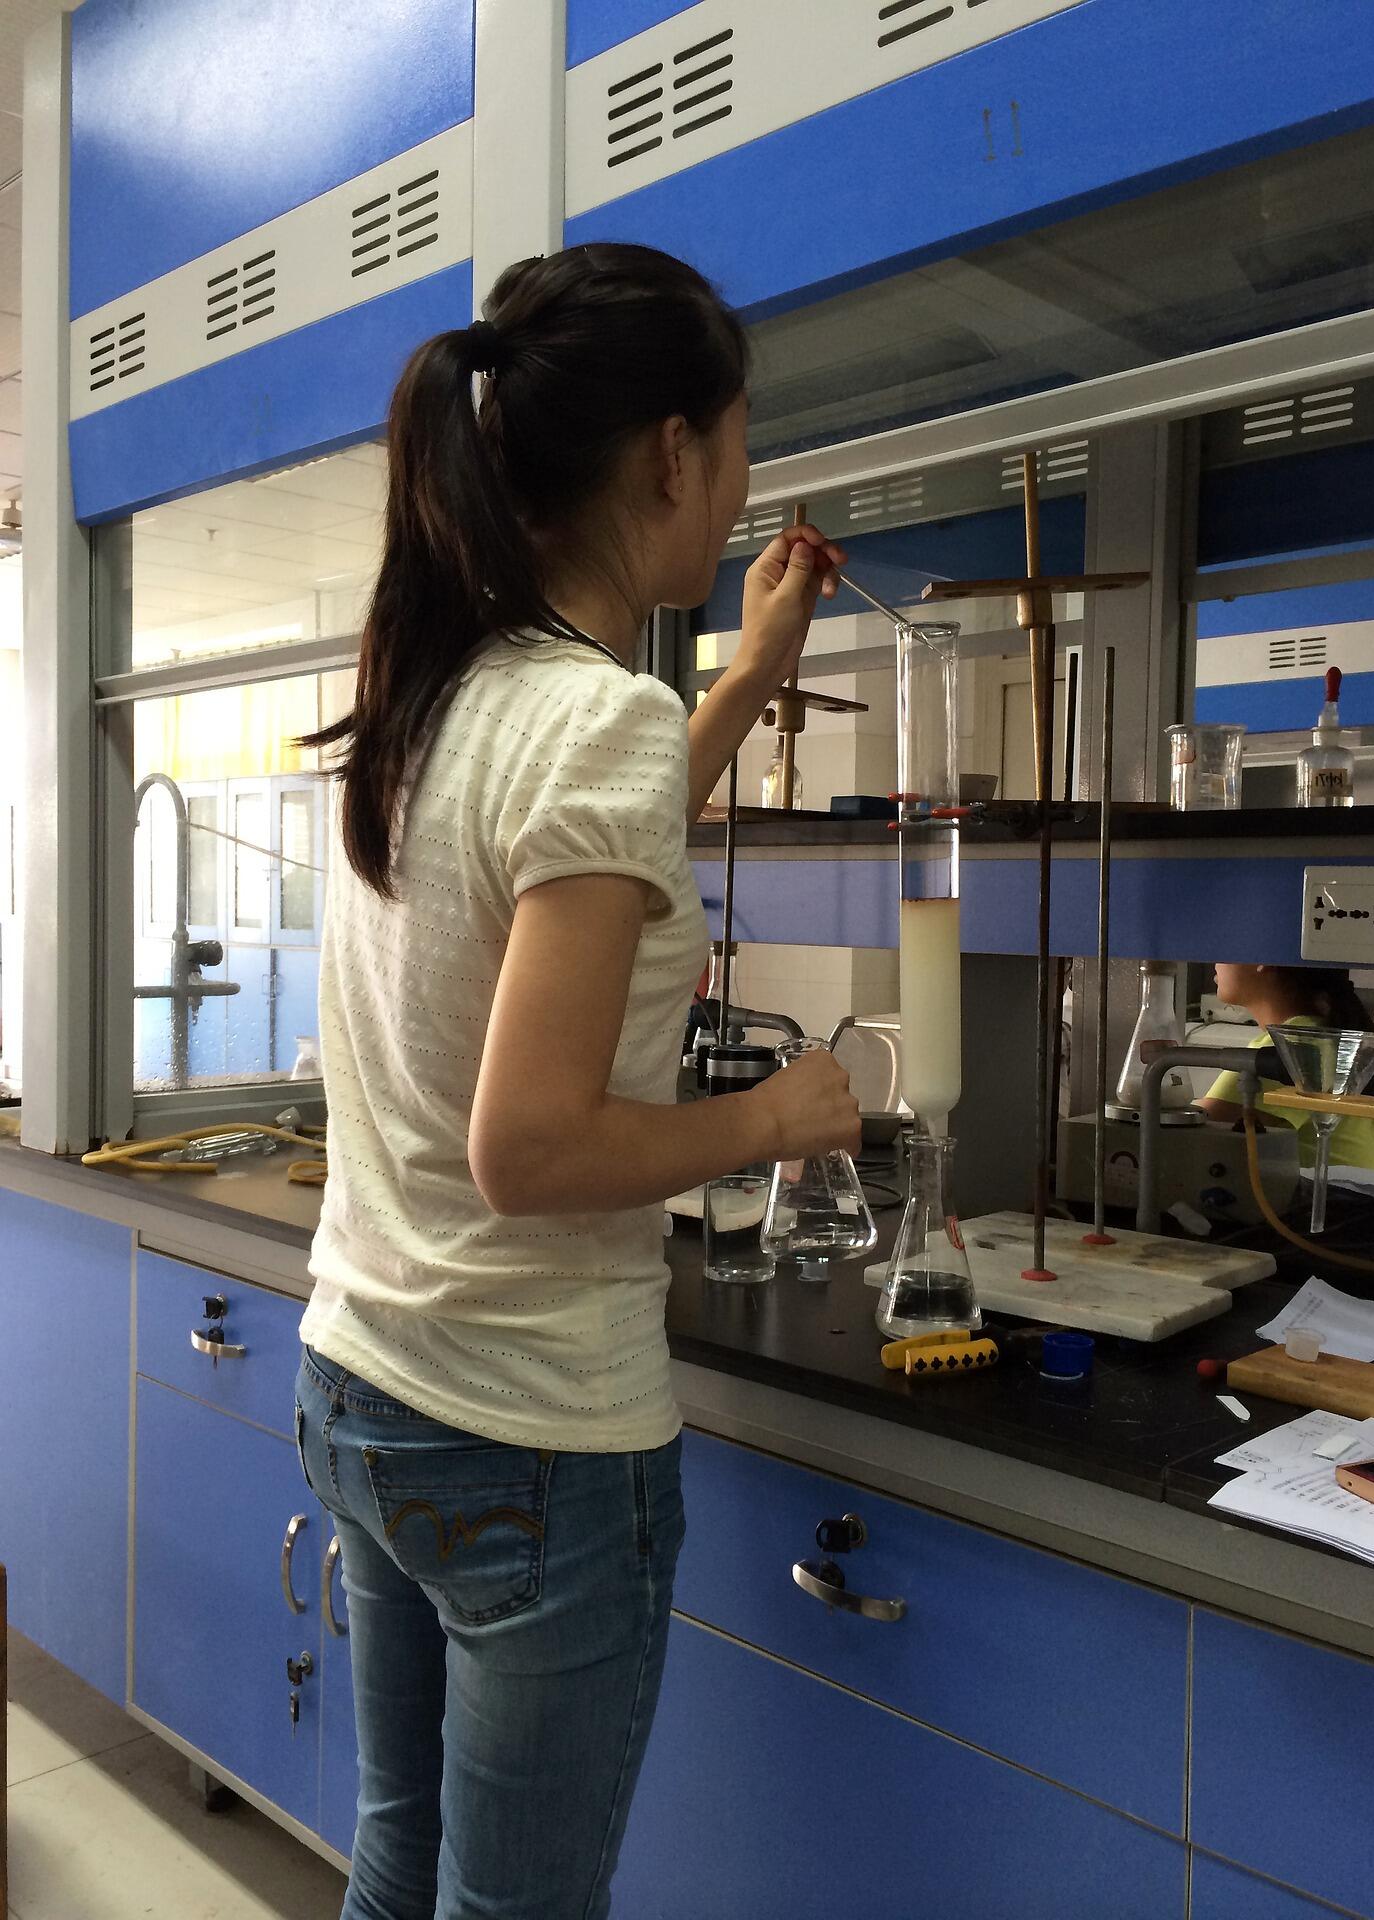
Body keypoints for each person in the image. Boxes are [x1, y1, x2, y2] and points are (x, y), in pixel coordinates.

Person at [292, 244, 861, 1920]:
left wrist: (746, 681)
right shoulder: (592, 717)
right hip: (530, 1435)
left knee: (400, 1854)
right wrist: (780, 1115)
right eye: (740, 445)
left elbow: (581, 854)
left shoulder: (438, 693)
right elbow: (530, 1149)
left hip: (367, 1381)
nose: (740, 482)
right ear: (675, 456)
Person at [1196, 963, 1374, 1171]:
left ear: (1261, 962)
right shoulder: (1316, 1031)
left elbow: (1189, 1134)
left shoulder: (1296, 1043)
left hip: (1320, 1200)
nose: (1216, 962)